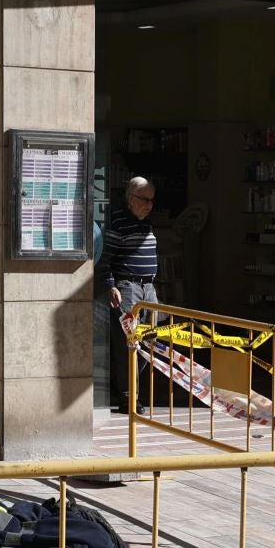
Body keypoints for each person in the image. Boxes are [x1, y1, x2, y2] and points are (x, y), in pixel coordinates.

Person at [98, 176, 159, 413]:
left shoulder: (147, 224)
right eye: (145, 200)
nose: (149, 205)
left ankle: (129, 389)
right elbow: (105, 258)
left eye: (152, 200)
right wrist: (110, 285)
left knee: (150, 342)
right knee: (128, 343)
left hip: (148, 289)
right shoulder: (118, 222)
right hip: (127, 288)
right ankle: (128, 397)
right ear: (131, 199)